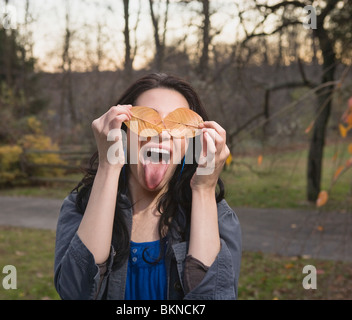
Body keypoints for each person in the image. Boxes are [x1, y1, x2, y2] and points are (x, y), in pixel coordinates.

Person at [54, 73, 242, 300]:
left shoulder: (218, 217)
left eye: (179, 123)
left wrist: (204, 190)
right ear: (123, 132)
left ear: (190, 142)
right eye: (147, 121)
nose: (162, 133)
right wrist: (108, 167)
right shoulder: (81, 206)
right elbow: (74, 294)